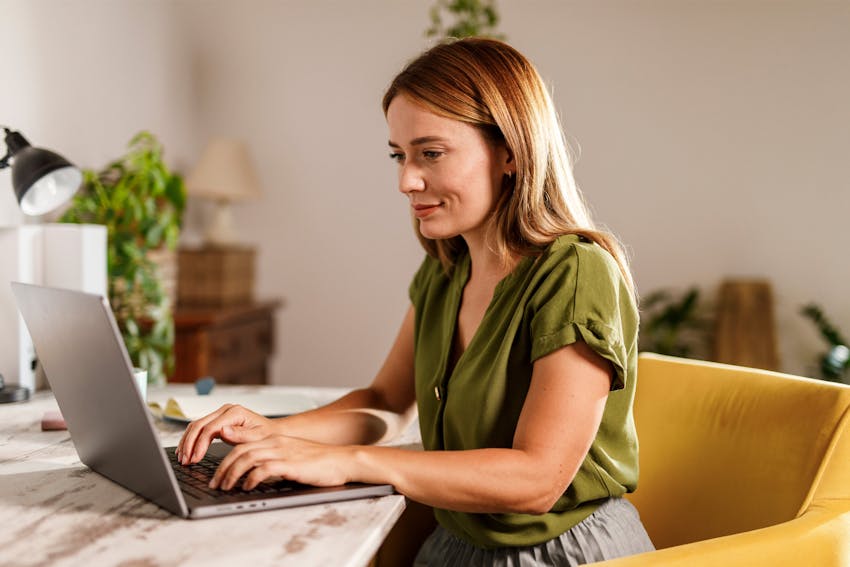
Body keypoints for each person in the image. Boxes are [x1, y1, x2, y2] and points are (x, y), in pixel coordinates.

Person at [177, 37, 655, 566]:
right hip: (455, 542)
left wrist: (349, 461)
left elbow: (537, 479)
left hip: (563, 552)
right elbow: (386, 401)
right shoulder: (445, 269)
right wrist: (274, 432)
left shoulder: (576, 272)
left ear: (510, 153)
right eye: (399, 155)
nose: (406, 180)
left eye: (431, 153)